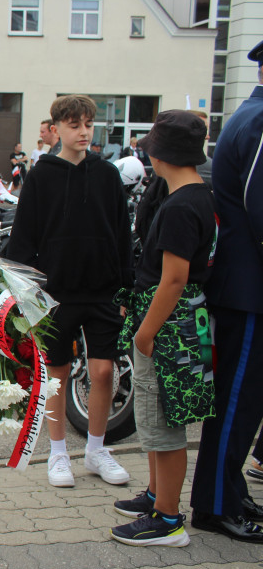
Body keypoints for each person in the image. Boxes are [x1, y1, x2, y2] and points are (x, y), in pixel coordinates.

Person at [6, 95, 134, 489]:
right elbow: (24, 236)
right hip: (57, 292)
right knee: (57, 374)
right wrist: (25, 292)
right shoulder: (41, 175)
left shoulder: (107, 174)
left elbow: (122, 234)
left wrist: (125, 289)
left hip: (102, 289)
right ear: (56, 128)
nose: (83, 132)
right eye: (75, 125)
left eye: (88, 125)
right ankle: (58, 453)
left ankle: (96, 450)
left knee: (104, 371)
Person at [110, 111, 217, 547]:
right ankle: (157, 496)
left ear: (160, 154)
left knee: (165, 424)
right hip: (189, 320)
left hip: (168, 324)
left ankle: (168, 518)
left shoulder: (179, 206)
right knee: (160, 420)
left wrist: (145, 333)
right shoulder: (200, 195)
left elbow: (173, 278)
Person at [189, 40, 263, 543]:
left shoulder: (249, 114)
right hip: (249, 286)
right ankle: (216, 504)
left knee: (243, 401)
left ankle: (228, 491)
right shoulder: (259, 120)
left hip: (245, 284)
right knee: (236, 401)